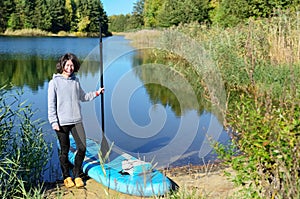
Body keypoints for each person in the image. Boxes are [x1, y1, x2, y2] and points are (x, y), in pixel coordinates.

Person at [48, 53, 104, 188]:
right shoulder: (54, 82)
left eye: (72, 65)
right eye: (67, 65)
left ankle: (77, 174)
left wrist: (96, 93)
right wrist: (53, 121)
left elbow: (83, 97)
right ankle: (66, 176)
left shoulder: (76, 81)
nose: (70, 67)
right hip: (61, 122)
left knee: (82, 147)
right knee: (64, 150)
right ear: (62, 65)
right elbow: (51, 104)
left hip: (76, 120)